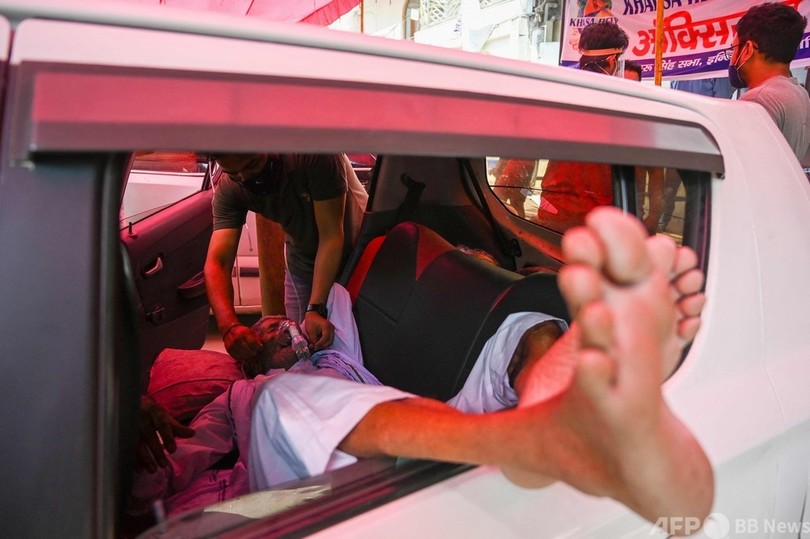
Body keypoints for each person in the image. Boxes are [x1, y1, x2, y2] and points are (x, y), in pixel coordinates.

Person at [131, 207, 713, 536]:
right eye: (265, 335)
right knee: (277, 406)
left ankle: (557, 398)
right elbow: (164, 475)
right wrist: (140, 453)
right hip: (296, 494)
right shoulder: (242, 393)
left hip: (416, 442)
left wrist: (317, 322)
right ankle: (538, 435)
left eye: (278, 326)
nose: (277, 332)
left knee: (524, 329)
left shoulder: (335, 343)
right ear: (248, 357)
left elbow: (397, 255)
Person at [204, 153, 368, 371]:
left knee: (356, 345)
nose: (245, 178)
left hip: (356, 256)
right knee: (303, 349)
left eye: (251, 164)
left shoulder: (316, 156)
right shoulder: (231, 188)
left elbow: (331, 237)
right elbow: (218, 262)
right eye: (234, 173)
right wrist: (228, 326)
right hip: (301, 261)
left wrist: (314, 308)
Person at [535, 21, 628, 234]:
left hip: (553, 210)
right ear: (613, 60)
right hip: (595, 220)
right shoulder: (618, 104)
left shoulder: (559, 93)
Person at [727, 2, 810, 160]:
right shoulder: (800, 92)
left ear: (748, 50)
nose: (731, 59)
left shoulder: (758, 100)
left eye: (733, 49)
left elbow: (745, 165)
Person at [623, 60, 667, 234]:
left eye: (633, 85)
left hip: (632, 211)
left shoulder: (645, 123)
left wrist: (654, 216)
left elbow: (656, 173)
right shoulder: (599, 114)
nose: (628, 90)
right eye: (623, 84)